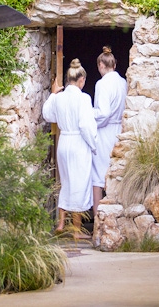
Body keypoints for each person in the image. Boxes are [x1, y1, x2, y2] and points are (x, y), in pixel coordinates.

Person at [42, 58, 97, 238]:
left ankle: (60, 223)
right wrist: (93, 145)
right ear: (81, 80)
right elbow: (85, 126)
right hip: (79, 142)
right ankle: (76, 230)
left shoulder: (59, 98)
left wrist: (53, 94)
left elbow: (48, 115)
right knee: (79, 184)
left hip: (64, 142)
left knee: (66, 182)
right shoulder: (84, 98)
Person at [92, 46, 127, 216]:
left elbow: (103, 113)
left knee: (98, 176)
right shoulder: (123, 82)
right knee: (117, 174)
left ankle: (99, 221)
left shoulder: (102, 83)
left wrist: (88, 115)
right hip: (120, 130)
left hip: (105, 131)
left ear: (101, 65)